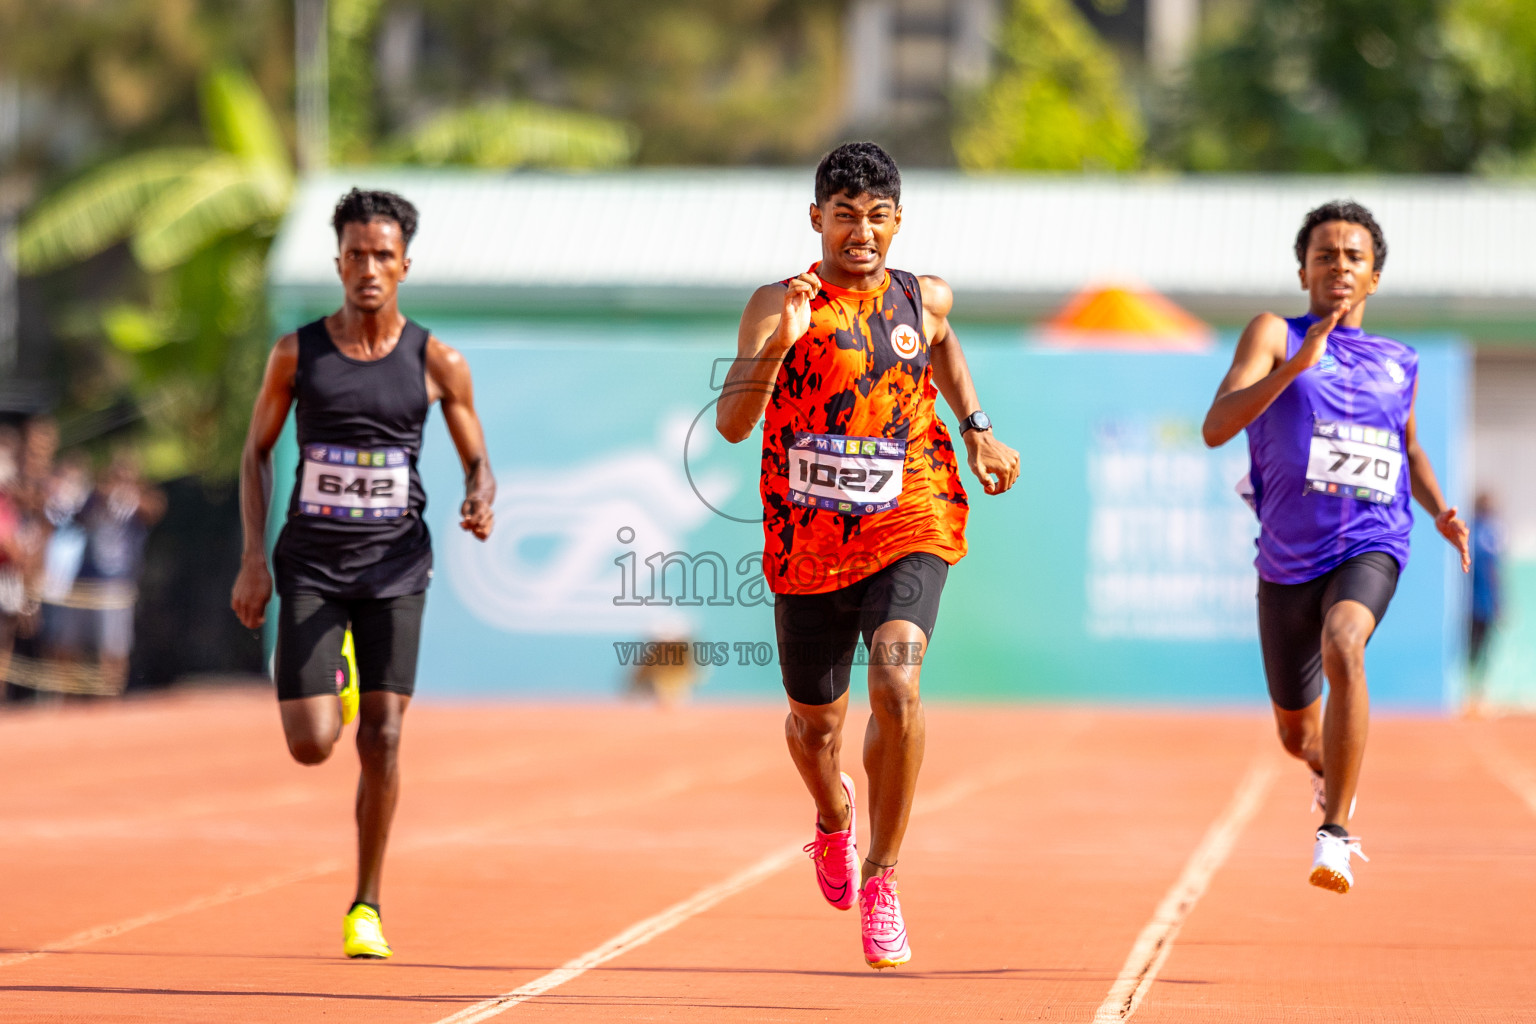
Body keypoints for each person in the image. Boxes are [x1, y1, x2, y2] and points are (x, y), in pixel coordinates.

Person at [716, 142, 1019, 968]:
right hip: (808, 541)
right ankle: (832, 820)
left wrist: (978, 427)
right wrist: (780, 342)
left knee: (897, 681)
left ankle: (884, 876)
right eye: (844, 215)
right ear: (816, 219)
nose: (861, 231)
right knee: (816, 730)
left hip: (908, 520)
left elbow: (944, 344)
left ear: (896, 223)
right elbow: (734, 425)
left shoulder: (923, 296)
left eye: (877, 217)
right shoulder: (777, 304)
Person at [230, 189, 495, 959]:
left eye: (383, 255)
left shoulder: (436, 360)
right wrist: (253, 558)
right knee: (314, 745)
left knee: (381, 737)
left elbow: (479, 462)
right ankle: (329, 680)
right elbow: (254, 452)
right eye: (355, 255)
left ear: (404, 264)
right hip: (311, 563)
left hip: (395, 566)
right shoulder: (297, 354)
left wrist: (480, 497)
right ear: (338, 263)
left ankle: (366, 904)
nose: (369, 268)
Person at [1201, 200, 1469, 894]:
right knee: (1297, 737)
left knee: (1345, 641)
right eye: (1326, 255)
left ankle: (1337, 836)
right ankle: (1327, 771)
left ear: (1374, 277)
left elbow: (1408, 449)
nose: (1340, 267)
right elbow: (1216, 426)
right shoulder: (1275, 334)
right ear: (1303, 271)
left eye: (1354, 257)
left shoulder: (1399, 362)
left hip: (1373, 539)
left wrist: (1441, 510)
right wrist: (1295, 367)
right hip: (1288, 558)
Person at [1467, 491, 1503, 697]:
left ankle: (1478, 690)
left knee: (1483, 647)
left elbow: (1495, 571)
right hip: (1474, 603)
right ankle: (1471, 690)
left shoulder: (1490, 531)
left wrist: (1498, 601)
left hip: (1486, 602)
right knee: (1473, 646)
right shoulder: (1475, 531)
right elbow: (1491, 571)